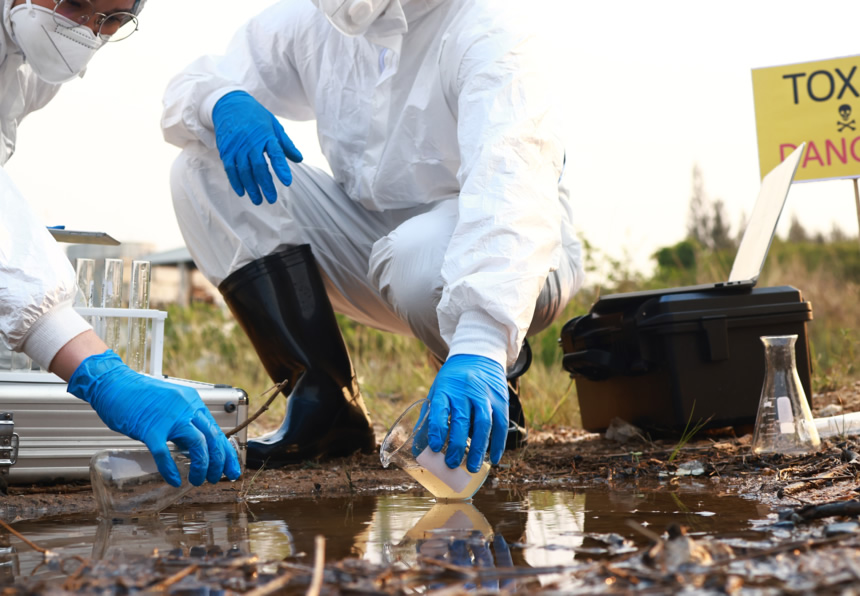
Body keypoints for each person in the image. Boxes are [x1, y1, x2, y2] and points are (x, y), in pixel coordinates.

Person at [162, 0, 584, 474]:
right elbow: (191, 86)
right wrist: (222, 101)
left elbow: (514, 194)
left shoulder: (488, 29)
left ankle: (492, 389)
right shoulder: (317, 19)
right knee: (200, 167)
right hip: (374, 244)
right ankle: (326, 408)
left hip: (518, 260)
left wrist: (482, 343)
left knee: (417, 256)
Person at [0, 0, 241, 488]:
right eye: (75, 4)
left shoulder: (31, 63)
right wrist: (98, 369)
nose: (86, 31)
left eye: (111, 20)